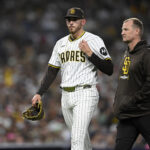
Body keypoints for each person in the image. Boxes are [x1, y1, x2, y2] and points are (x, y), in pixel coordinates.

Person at [32, 7, 113, 150]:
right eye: (68, 19)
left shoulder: (93, 40)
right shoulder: (60, 43)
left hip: (85, 93)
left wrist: (90, 53)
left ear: (83, 22)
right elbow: (52, 71)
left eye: (74, 20)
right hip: (66, 96)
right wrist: (39, 92)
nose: (71, 22)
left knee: (76, 139)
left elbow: (109, 69)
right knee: (82, 140)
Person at [113, 18, 150, 150]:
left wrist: (132, 101)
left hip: (145, 113)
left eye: (126, 29)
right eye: (122, 29)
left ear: (137, 31)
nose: (122, 32)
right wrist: (119, 103)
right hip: (127, 115)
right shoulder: (126, 54)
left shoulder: (146, 54)